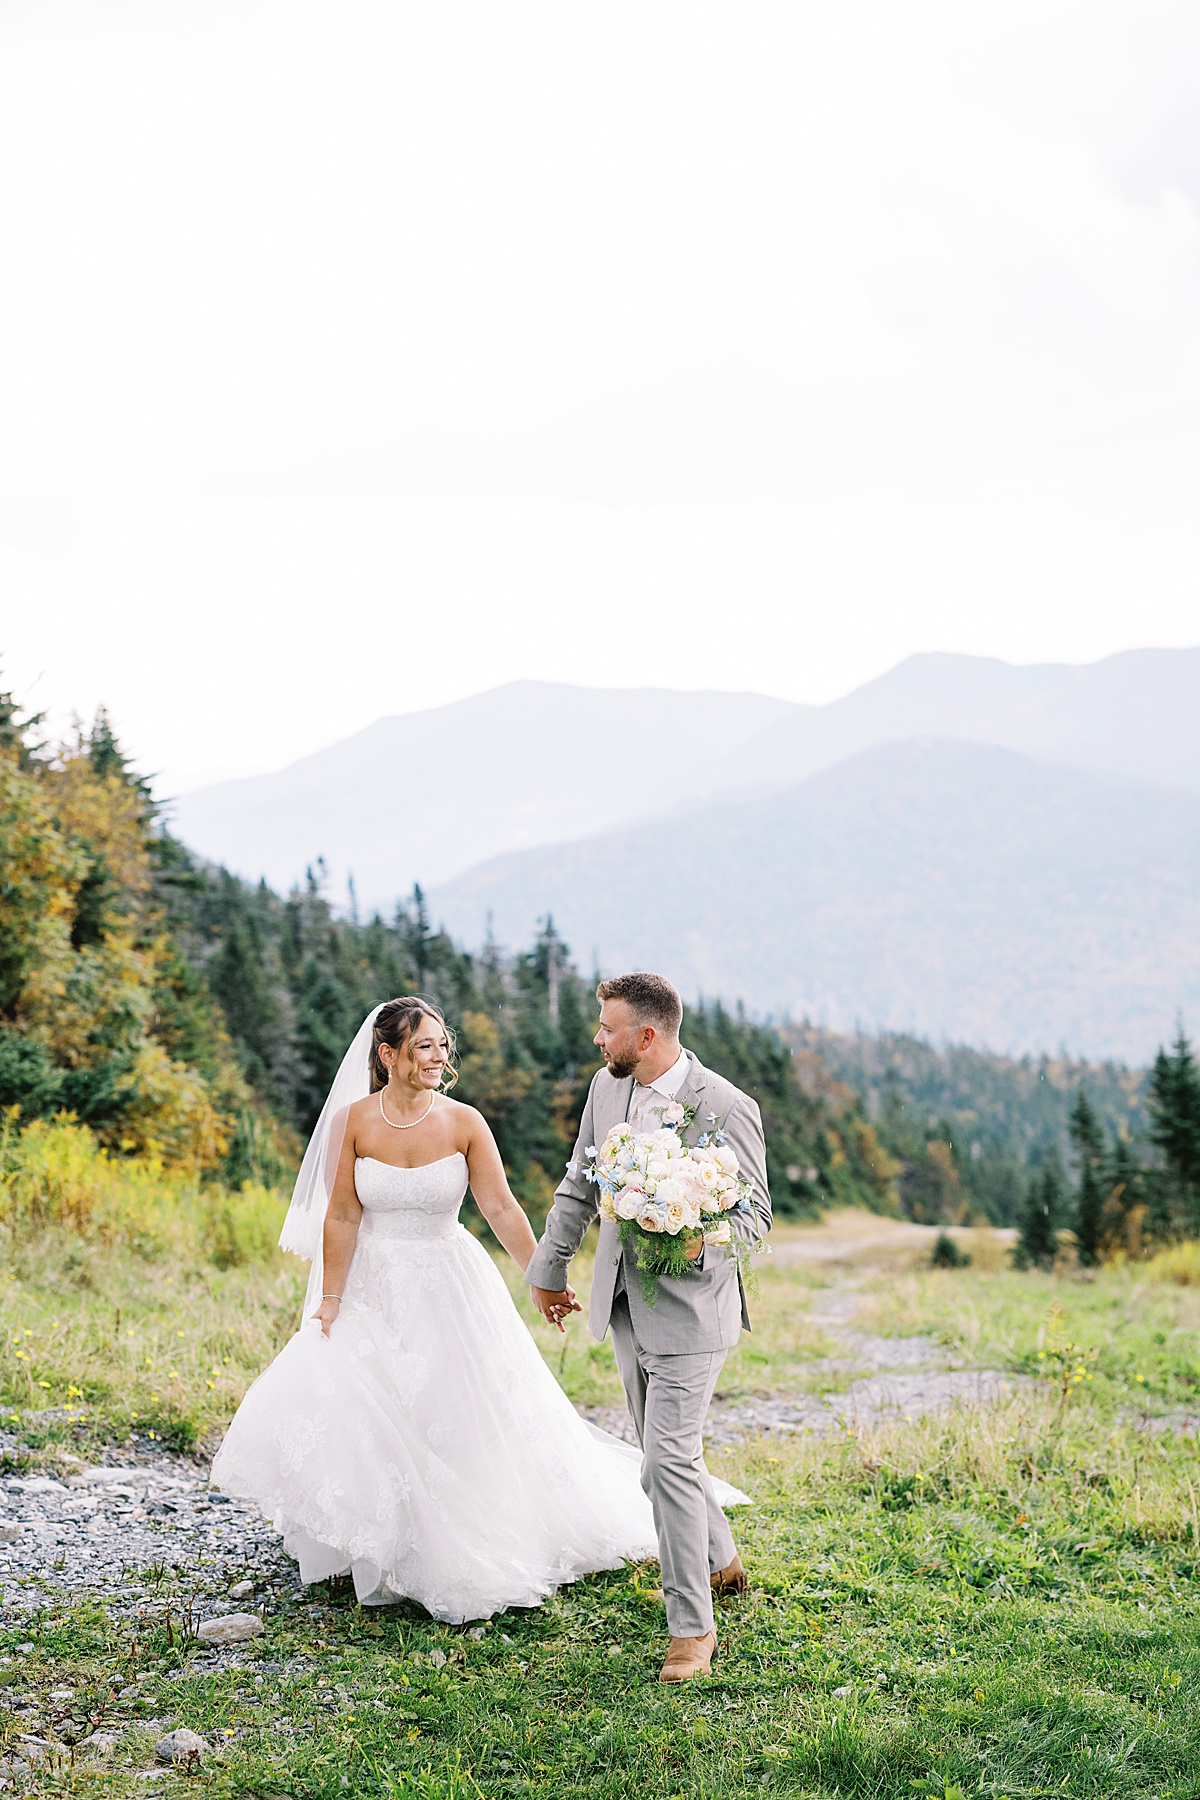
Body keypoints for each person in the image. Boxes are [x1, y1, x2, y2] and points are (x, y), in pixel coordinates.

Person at [211, 995, 684, 1624]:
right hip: (373, 1284)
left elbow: (500, 1208)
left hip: (448, 1281)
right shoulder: (353, 1121)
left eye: (442, 1046)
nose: (439, 1058)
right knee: (370, 1405)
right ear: (388, 1055)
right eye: (423, 1047)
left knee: (453, 1407)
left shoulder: (464, 1122)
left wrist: (541, 1278)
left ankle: (462, 1535)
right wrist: (329, 1300)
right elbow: (344, 1213)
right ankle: (379, 1542)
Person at [526, 972, 771, 1683]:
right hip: (626, 1303)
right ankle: (721, 1560)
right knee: (669, 1458)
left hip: (694, 1310)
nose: (596, 1039)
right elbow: (580, 1179)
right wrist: (550, 1267)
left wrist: (701, 1239)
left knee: (662, 1462)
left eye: (606, 1029)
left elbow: (755, 1216)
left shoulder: (724, 1106)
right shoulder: (607, 1090)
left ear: (647, 1036)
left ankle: (692, 1628)